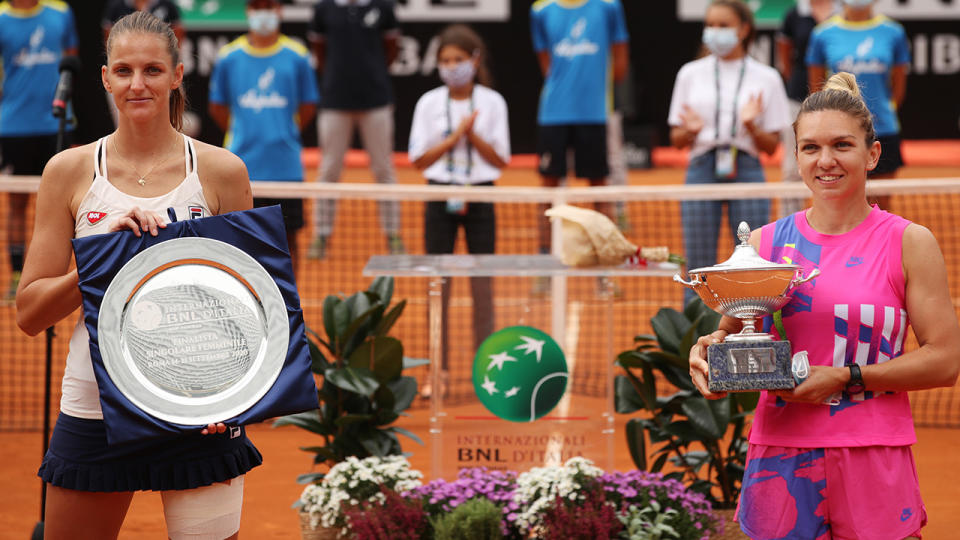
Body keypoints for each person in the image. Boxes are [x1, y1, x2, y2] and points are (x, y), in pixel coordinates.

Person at [15, 12, 260, 539]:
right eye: (123, 70)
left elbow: (250, 305)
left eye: (152, 70)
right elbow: (30, 313)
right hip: (95, 404)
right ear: (105, 78)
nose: (137, 84)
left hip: (200, 406)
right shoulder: (68, 172)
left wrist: (235, 397)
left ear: (177, 76)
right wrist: (100, 260)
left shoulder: (222, 172)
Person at [689, 72, 960, 540]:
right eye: (810, 147)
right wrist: (708, 353)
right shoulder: (764, 244)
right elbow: (730, 335)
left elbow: (945, 360)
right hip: (780, 452)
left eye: (842, 145)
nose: (826, 160)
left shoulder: (909, 242)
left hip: (874, 452)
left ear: (872, 154)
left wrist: (848, 376)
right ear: (796, 157)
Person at [408, 24, 509, 396]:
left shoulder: (493, 102)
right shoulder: (428, 103)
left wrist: (473, 135)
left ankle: (490, 372)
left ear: (474, 60)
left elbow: (500, 159)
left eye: (458, 59)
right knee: (440, 285)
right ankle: (440, 371)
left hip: (481, 194)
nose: (452, 66)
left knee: (483, 285)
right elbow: (419, 160)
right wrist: (454, 138)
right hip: (440, 195)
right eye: (445, 60)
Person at [667, 0, 790, 304]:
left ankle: (752, 333)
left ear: (744, 29)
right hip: (701, 166)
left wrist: (751, 126)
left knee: (753, 260)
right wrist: (691, 130)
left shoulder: (767, 77)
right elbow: (676, 139)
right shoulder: (689, 74)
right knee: (697, 261)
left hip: (747, 166)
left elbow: (772, 146)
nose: (714, 32)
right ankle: (695, 340)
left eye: (723, 25)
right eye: (710, 25)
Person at [209, 0, 319, 271]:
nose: (264, 14)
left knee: (289, 241)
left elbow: (307, 105)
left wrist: (282, 131)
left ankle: (289, 306)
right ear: (248, 12)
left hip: (286, 167)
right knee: (241, 243)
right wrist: (244, 134)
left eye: (269, 7)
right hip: (242, 167)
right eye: (258, 7)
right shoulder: (229, 57)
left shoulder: (298, 55)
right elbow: (218, 106)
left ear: (279, 11)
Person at [306, 0, 404, 260]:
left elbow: (391, 50)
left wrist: (372, 75)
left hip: (377, 101)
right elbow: (320, 53)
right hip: (335, 101)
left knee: (384, 169)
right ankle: (322, 235)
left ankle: (393, 235)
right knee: (328, 170)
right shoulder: (323, 9)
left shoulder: (384, 7)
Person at [529, 0, 628, 256]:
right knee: (549, 187)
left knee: (598, 186)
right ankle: (545, 259)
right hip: (554, 113)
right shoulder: (540, 10)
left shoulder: (608, 7)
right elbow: (546, 64)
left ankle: (604, 259)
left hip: (594, 112)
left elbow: (620, 63)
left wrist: (594, 90)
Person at [0, 0, 78, 299]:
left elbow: (71, 61)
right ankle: (18, 272)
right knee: (17, 202)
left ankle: (67, 275)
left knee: (68, 203)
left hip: (57, 123)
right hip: (15, 126)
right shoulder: (2, 20)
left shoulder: (60, 13)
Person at [807, 0, 910, 209]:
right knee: (840, 202)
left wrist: (882, 111)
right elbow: (816, 89)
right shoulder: (823, 33)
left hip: (883, 129)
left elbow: (898, 86)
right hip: (838, 131)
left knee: (881, 204)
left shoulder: (894, 32)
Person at [776, 0, 834, 218]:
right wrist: (796, 81)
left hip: (839, 102)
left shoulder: (844, 11)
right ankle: (790, 222)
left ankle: (833, 218)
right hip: (797, 98)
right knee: (793, 166)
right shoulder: (794, 14)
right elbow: (784, 51)